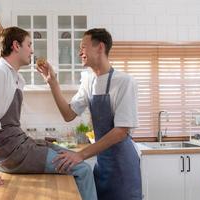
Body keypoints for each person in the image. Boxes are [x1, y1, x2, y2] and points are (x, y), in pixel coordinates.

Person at [0, 26, 97, 200]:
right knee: (83, 169)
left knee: (71, 156)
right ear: (16, 46)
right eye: (29, 44)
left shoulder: (16, 77)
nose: (32, 51)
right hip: (12, 153)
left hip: (20, 146)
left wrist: (52, 81)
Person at [37, 28, 142, 200]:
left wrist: (80, 154)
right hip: (103, 163)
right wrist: (53, 83)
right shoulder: (89, 80)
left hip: (123, 165)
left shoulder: (124, 82)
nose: (79, 52)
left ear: (100, 47)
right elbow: (68, 114)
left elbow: (121, 131)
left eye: (83, 47)